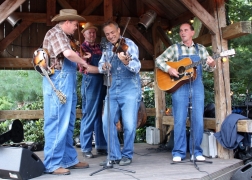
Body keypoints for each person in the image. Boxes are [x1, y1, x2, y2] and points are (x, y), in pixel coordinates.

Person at [42, 9, 97, 175]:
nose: (76, 28)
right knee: (57, 121)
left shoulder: (66, 37)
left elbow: (70, 54)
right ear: (67, 22)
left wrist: (81, 57)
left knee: (68, 122)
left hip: (67, 81)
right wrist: (85, 63)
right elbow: (67, 54)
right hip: (58, 81)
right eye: (75, 24)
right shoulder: (56, 33)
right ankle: (52, 163)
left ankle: (68, 160)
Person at [155, 22, 216, 162]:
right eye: (181, 31)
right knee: (180, 120)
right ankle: (179, 152)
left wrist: (212, 64)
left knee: (198, 120)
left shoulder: (200, 49)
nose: (182, 33)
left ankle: (196, 151)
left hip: (197, 86)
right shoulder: (174, 49)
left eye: (186, 30)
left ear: (192, 32)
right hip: (179, 87)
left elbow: (208, 68)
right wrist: (169, 69)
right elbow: (158, 60)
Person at [98, 20, 142, 166]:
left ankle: (127, 155)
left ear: (118, 30)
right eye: (107, 34)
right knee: (107, 122)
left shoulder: (130, 45)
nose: (110, 36)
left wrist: (126, 62)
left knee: (129, 124)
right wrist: (104, 66)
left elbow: (137, 67)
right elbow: (100, 66)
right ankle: (115, 155)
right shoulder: (107, 48)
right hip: (112, 88)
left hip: (129, 88)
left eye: (112, 32)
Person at [79, 22, 107, 158]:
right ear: (84, 34)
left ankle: (101, 146)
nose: (92, 34)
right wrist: (102, 69)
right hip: (90, 81)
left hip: (102, 81)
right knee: (89, 114)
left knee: (100, 115)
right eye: (89, 32)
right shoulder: (81, 48)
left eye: (94, 32)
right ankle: (85, 147)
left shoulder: (99, 47)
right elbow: (83, 68)